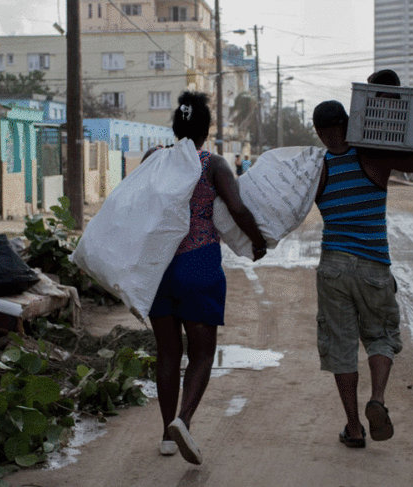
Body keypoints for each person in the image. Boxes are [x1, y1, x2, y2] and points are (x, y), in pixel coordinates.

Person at [311, 77, 413, 449]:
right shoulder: (373, 155)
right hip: (373, 264)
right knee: (381, 336)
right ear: (348, 123)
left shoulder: (316, 169)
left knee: (341, 347)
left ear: (320, 133)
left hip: (333, 265)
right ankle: (378, 399)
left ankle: (354, 428)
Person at [144, 91, 267, 464]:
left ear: (175, 126)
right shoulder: (213, 164)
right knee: (201, 353)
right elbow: (238, 208)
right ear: (206, 130)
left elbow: (134, 205)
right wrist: (258, 243)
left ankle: (168, 434)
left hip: (158, 267)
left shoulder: (154, 159)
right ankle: (183, 420)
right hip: (198, 263)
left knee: (167, 352)